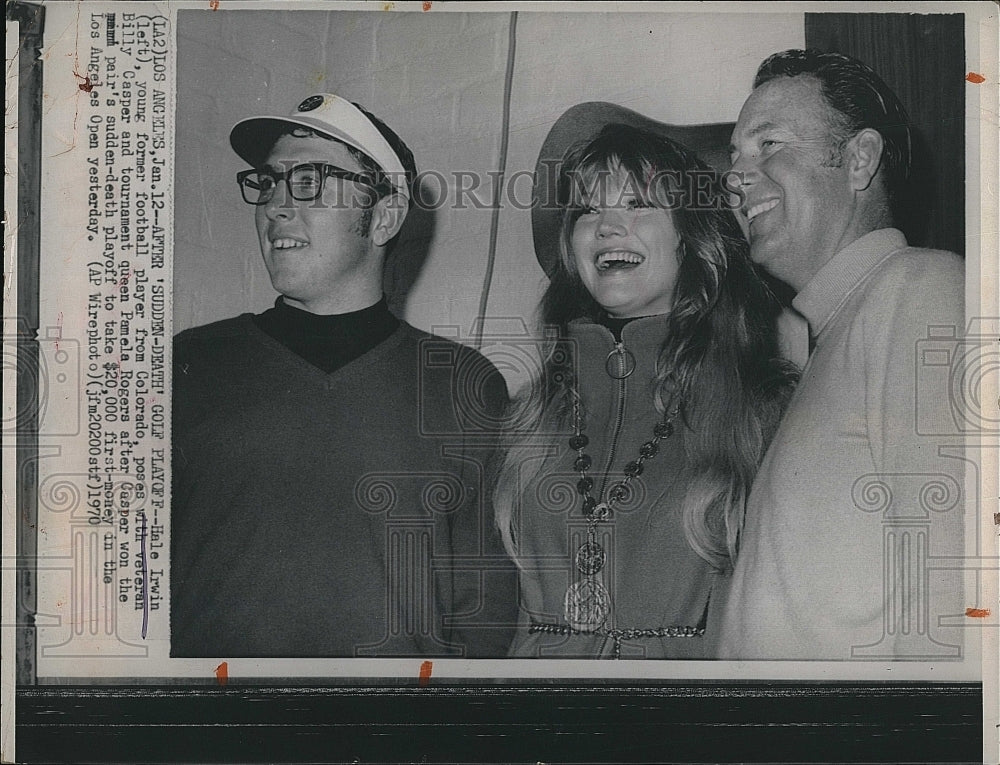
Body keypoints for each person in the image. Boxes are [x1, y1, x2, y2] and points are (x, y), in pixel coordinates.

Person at [170, 93, 517, 658]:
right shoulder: (191, 362)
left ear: (382, 217)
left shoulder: (463, 382)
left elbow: (485, 598)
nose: (277, 206)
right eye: (269, 182)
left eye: (309, 181)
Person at [494, 103, 797, 659]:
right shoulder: (529, 414)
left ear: (691, 237)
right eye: (587, 210)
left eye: (637, 204)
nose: (607, 226)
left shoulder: (769, 409)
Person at [719, 50, 966, 660]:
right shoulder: (835, 330)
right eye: (734, 161)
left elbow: (954, 606)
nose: (735, 179)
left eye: (769, 144)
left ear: (859, 160)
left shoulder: (923, 290)